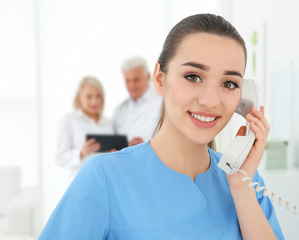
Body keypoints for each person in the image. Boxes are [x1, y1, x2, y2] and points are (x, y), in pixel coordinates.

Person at [40, 14, 284, 239]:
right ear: (159, 78)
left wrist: (241, 191)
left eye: (229, 83)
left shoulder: (245, 180)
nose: (210, 101)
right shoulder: (104, 177)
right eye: (193, 77)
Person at [56, 76, 114, 182]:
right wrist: (81, 152)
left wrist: (115, 154)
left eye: (98, 96)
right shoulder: (69, 120)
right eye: (89, 97)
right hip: (80, 182)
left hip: (105, 182)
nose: (94, 101)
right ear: (79, 98)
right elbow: (60, 159)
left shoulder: (109, 123)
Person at [112, 55, 162, 146]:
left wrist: (145, 144)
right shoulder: (119, 110)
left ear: (148, 77)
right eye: (128, 81)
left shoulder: (163, 101)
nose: (132, 86)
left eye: (136, 80)